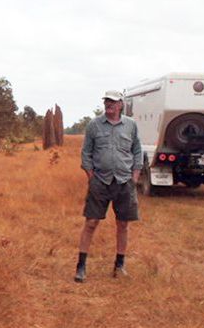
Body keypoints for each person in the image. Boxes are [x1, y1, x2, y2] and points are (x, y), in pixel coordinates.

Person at [75, 90, 142, 283]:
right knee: (90, 223)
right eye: (106, 101)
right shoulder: (94, 125)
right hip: (100, 182)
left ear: (121, 104)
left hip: (124, 182)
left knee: (123, 224)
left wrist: (134, 176)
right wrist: (90, 175)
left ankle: (119, 266)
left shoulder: (131, 125)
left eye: (112, 102)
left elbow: (137, 151)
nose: (108, 105)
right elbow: (86, 153)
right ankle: (81, 266)